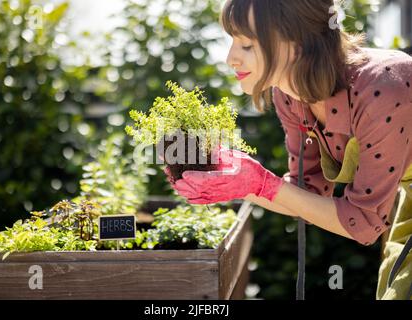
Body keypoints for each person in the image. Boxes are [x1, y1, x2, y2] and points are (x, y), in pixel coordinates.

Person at [165, 0, 412, 300]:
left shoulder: (384, 87)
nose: (231, 58)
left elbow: (363, 223)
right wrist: (235, 183)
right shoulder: (289, 96)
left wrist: (259, 182)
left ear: (296, 43)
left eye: (247, 44)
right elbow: (305, 196)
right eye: (233, 41)